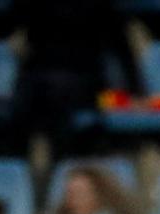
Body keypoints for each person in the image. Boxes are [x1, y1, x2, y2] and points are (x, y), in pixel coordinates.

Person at [12, 0, 143, 159]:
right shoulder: (37, 7)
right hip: (41, 84)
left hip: (84, 82)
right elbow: (26, 52)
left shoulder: (102, 6)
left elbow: (122, 50)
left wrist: (137, 92)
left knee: (58, 94)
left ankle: (63, 154)